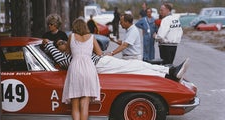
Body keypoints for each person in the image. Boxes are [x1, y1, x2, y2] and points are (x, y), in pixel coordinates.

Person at [42, 38, 189, 82]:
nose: (63, 44)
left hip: (101, 61)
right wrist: (49, 44)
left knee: (136, 64)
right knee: (135, 69)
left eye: (63, 42)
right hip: (100, 66)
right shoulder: (65, 57)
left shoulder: (73, 52)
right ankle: (168, 74)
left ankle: (169, 70)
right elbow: (59, 58)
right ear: (57, 48)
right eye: (60, 43)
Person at [62, 18, 102, 120]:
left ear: (74, 27)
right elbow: (99, 53)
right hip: (88, 68)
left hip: (75, 68)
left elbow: (67, 51)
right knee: (85, 103)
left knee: (75, 103)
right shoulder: (92, 37)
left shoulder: (71, 36)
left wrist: (60, 45)